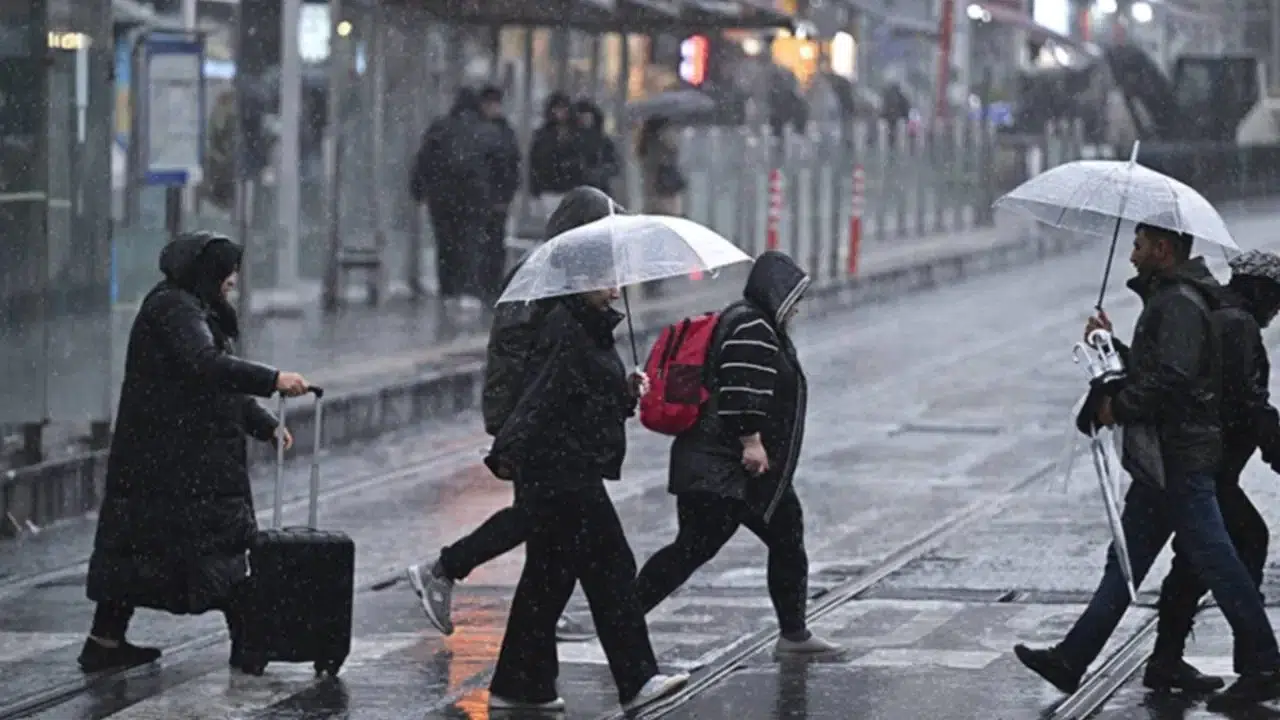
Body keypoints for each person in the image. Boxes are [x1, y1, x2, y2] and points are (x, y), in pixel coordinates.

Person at [1014, 222, 1280, 709]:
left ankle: (1264, 662)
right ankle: (1072, 659)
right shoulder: (1174, 298)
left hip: (1179, 457)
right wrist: (1108, 347)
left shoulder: (1177, 301)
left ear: (1163, 248)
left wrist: (1119, 406)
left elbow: (1173, 380)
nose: (1132, 256)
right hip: (1165, 459)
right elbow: (1159, 369)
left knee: (1217, 560)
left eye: (1139, 246)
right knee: (1128, 563)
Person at [562, 250, 835, 659]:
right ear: (777, 293)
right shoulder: (752, 327)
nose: (796, 308)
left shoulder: (749, 321)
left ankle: (793, 632)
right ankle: (622, 621)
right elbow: (742, 389)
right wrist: (751, 442)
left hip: (725, 467)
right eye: (794, 299)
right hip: (727, 467)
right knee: (696, 548)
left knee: (772, 537)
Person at [81, 231, 311, 674]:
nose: (233, 281)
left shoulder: (190, 307)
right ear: (207, 272)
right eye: (228, 271)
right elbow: (207, 368)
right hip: (178, 462)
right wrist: (272, 378)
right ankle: (251, 646)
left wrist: (262, 423)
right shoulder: (175, 309)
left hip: (166, 458)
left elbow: (211, 383)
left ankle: (104, 641)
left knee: (139, 551)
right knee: (215, 552)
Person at [405, 187, 627, 640]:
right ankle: (445, 569)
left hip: (545, 421)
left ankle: (532, 612)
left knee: (545, 521)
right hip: (537, 423)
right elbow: (522, 357)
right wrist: (510, 425)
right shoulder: (545, 277)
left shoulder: (564, 275)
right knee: (542, 517)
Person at [481, 237, 688, 713]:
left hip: (569, 467)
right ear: (582, 282)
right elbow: (543, 396)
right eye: (608, 282)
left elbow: (584, 397)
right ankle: (637, 678)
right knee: (612, 569)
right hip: (563, 472)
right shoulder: (566, 328)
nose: (617, 291)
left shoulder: (589, 326)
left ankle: (518, 683)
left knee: (548, 577)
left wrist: (623, 391)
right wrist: (506, 449)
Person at [1142, 248, 1280, 691]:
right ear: (1258, 290)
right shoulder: (1238, 324)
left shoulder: (1218, 313)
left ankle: (1166, 660)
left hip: (1201, 462)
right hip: (1208, 465)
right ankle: (1257, 666)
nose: (1276, 310)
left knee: (1195, 558)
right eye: (1276, 298)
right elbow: (1246, 402)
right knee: (1243, 541)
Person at [410, 87, 501, 311]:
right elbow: (500, 165)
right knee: (470, 243)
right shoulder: (486, 131)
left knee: (445, 244)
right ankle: (468, 290)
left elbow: (423, 161)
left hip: (441, 199)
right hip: (474, 199)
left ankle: (448, 290)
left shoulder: (439, 128)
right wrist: (498, 196)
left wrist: (418, 190)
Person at [476, 85, 523, 305]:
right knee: (485, 243)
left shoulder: (502, 132)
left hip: (496, 198)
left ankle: (491, 285)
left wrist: (505, 194)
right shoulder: (491, 131)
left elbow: (512, 165)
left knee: (494, 243)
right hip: (483, 197)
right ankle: (485, 285)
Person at [528, 92, 585, 222]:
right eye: (557, 108)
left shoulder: (577, 134)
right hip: (550, 188)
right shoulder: (543, 135)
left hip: (572, 188)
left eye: (563, 108)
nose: (560, 113)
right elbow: (535, 162)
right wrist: (536, 188)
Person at [573, 98, 620, 196]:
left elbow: (614, 165)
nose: (585, 120)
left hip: (601, 189)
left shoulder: (602, 140)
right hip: (577, 189)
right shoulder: (572, 139)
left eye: (587, 116)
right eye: (582, 117)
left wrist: (599, 173)